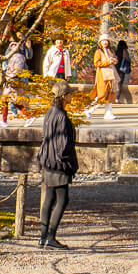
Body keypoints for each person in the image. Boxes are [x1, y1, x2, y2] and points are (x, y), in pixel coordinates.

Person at [37, 82, 79, 249]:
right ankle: (51, 237)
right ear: (64, 96)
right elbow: (63, 145)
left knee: (49, 198)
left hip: (48, 160)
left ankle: (43, 237)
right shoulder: (61, 116)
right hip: (58, 164)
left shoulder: (50, 112)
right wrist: (69, 161)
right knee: (62, 199)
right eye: (69, 94)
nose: (71, 96)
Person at [92, 38, 118, 109]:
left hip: (111, 74)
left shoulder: (111, 51)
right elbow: (96, 63)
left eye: (106, 41)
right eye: (103, 41)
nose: (105, 42)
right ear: (100, 42)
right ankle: (90, 109)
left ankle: (108, 112)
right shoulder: (98, 51)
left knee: (110, 93)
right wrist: (108, 62)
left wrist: (114, 61)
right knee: (102, 94)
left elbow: (115, 59)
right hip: (102, 75)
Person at [115, 38, 133, 103]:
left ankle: (113, 98)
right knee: (120, 83)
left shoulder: (116, 51)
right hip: (122, 69)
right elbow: (128, 59)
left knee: (115, 83)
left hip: (115, 68)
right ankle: (117, 98)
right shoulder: (124, 51)